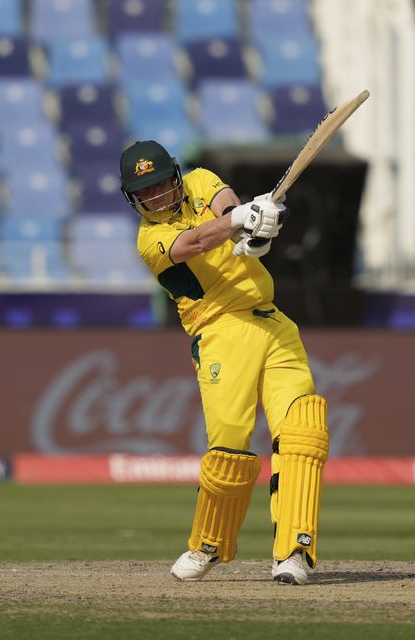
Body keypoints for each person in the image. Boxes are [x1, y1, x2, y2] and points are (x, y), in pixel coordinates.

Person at [119, 140, 329, 585]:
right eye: (146, 193)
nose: (157, 197)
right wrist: (238, 221)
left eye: (161, 185)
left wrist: (256, 226)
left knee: (302, 435)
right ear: (133, 199)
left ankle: (295, 552)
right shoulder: (149, 240)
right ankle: (208, 545)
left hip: (272, 322)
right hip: (220, 331)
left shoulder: (199, 180)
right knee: (230, 449)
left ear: (175, 176)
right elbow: (195, 241)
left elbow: (227, 204)